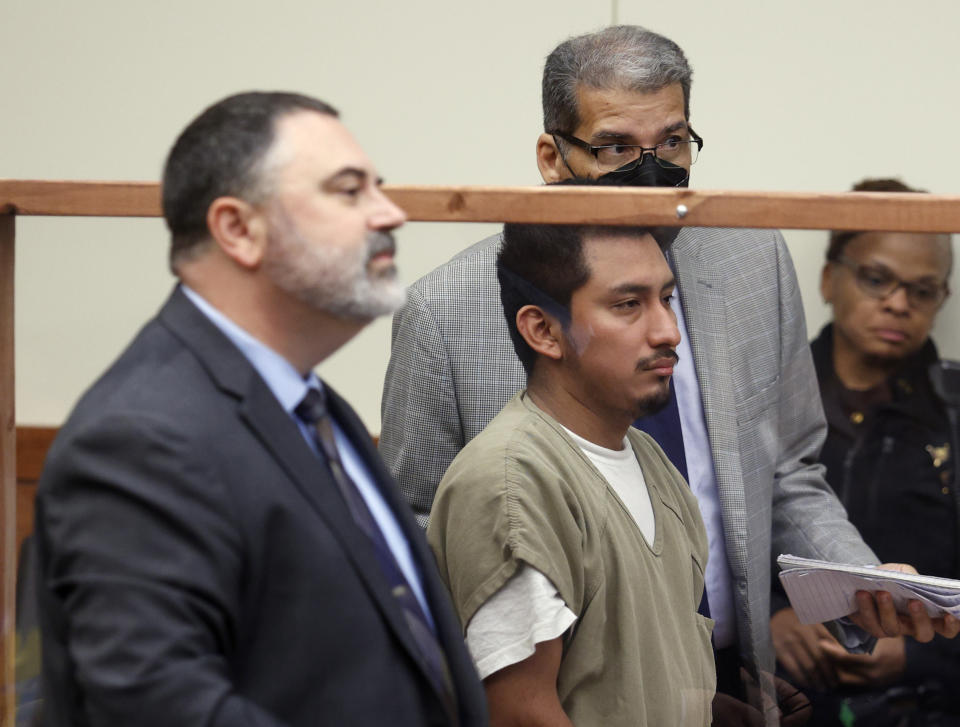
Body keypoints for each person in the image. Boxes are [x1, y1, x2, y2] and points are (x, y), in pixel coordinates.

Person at [379, 25, 959, 723]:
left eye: (673, 144)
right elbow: (416, 529)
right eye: (619, 147)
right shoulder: (446, 311)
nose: (665, 331)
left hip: (724, 678)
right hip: (556, 689)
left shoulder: (750, 262)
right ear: (552, 156)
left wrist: (862, 582)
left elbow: (787, 469)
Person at [34, 91, 487, 727]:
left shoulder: (312, 405)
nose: (391, 214)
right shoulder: (140, 437)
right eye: (349, 191)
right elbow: (158, 704)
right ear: (238, 230)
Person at [428, 218, 716, 726]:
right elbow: (520, 713)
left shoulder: (650, 461)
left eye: (665, 299)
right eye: (628, 305)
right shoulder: (513, 481)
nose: (667, 331)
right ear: (543, 330)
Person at [770, 178, 959, 725]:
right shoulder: (761, 404)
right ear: (830, 277)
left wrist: (921, 654)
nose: (898, 304)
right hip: (785, 703)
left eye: (922, 291)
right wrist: (773, 621)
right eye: (877, 279)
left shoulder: (953, 412)